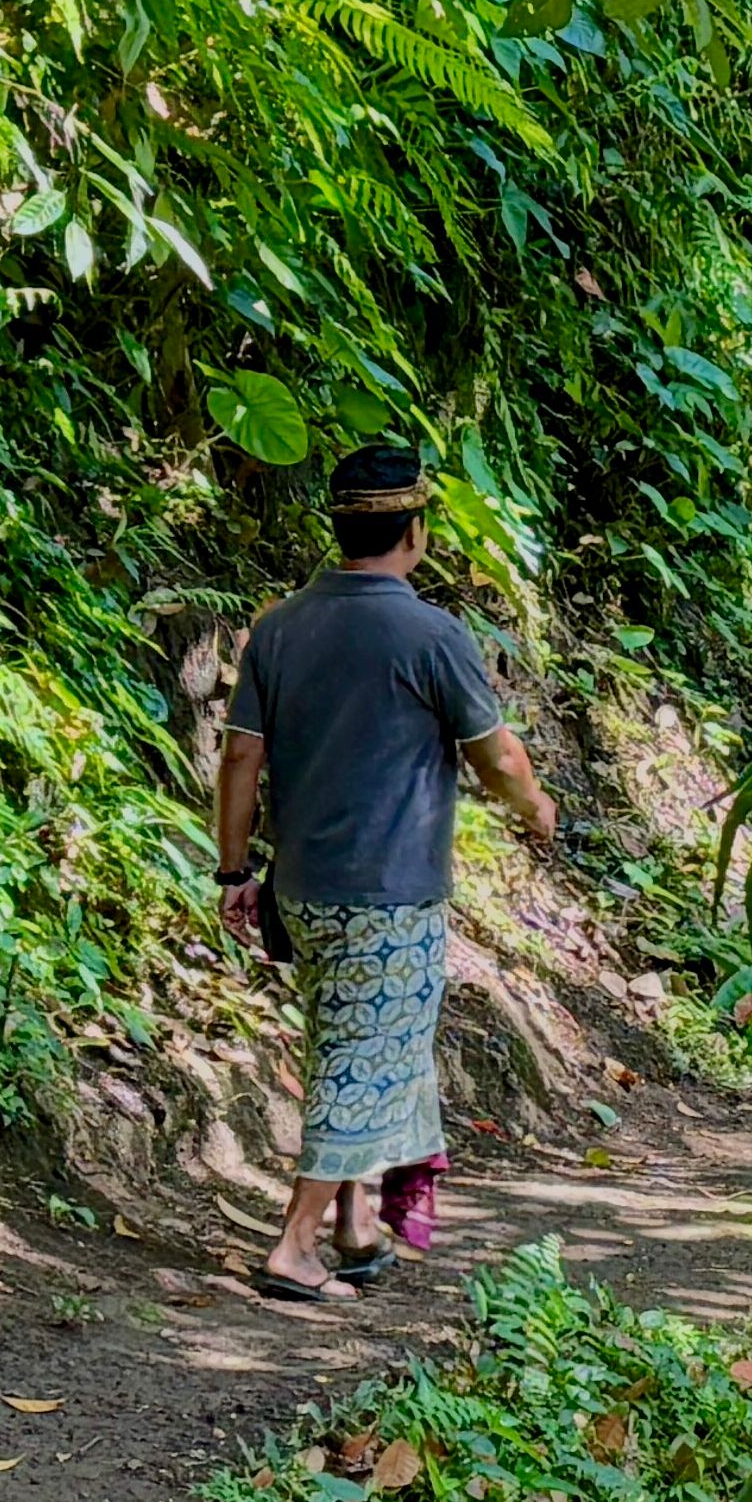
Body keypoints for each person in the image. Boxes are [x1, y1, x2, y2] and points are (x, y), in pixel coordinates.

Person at [213, 442, 560, 1298]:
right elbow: (497, 761)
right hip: (390, 897)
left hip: (303, 890)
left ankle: (357, 1226)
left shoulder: (280, 628)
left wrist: (234, 871)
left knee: (354, 1044)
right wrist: (536, 809)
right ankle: (294, 1246)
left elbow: (241, 760)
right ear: (415, 531)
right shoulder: (433, 634)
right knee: (363, 1063)